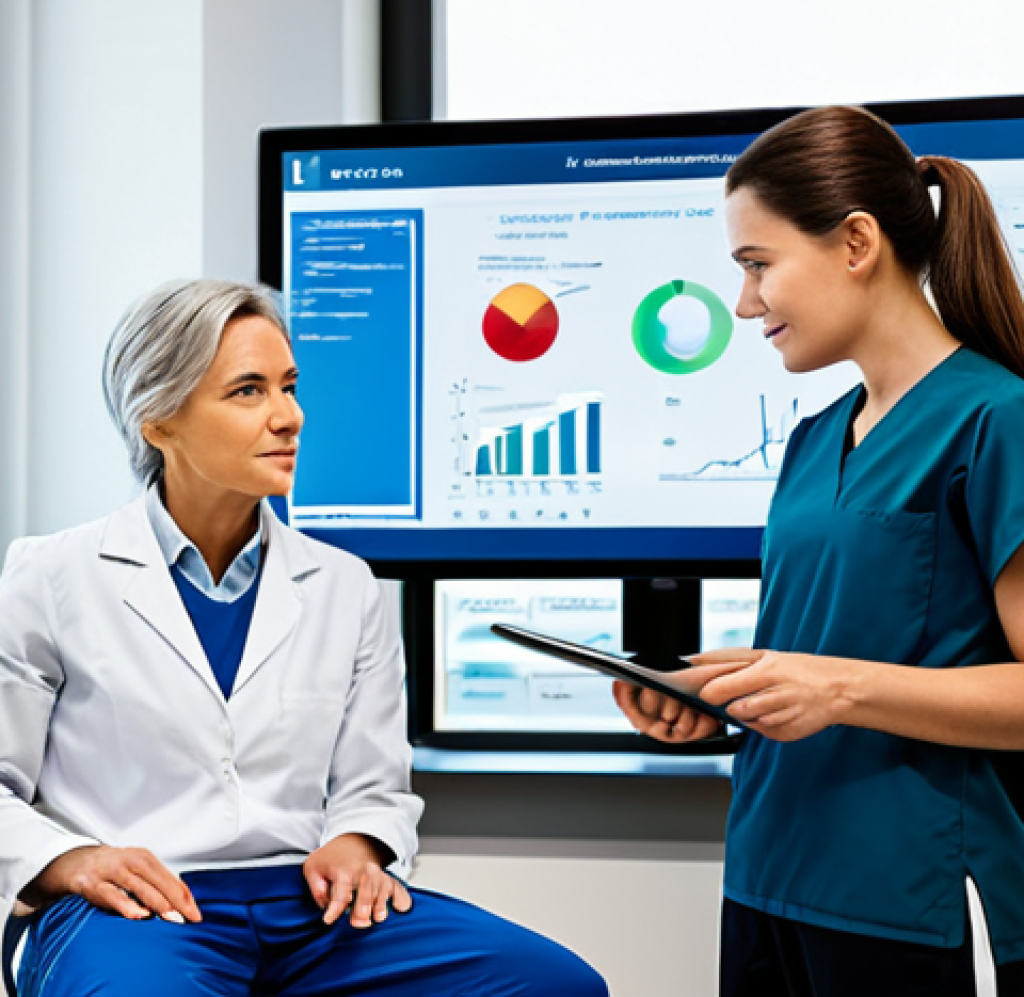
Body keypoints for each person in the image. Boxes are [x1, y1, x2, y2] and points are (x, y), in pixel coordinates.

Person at [0, 279, 608, 997]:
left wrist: (357, 844)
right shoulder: (50, 576)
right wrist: (70, 861)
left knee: (553, 985)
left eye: (289, 387)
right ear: (157, 419)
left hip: (307, 908)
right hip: (135, 907)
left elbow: (373, 786)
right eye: (248, 392)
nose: (289, 417)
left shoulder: (345, 585)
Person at [614, 105, 1024, 997]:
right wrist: (720, 692)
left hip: (910, 897)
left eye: (758, 266)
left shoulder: (998, 421)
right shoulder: (813, 441)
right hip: (769, 875)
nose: (743, 303)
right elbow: (819, 646)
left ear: (856, 243)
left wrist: (834, 687)